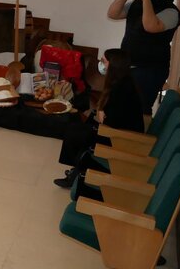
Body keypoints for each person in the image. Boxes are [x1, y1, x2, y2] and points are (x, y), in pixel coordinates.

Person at [53, 49, 144, 189]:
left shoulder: (122, 88)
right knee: (76, 127)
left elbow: (112, 122)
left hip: (120, 137)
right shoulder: (123, 81)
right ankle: (76, 169)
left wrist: (101, 114)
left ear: (113, 65)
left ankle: (77, 173)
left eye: (104, 61)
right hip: (117, 131)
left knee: (76, 133)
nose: (101, 64)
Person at [107, 0, 180, 114]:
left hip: (150, 69)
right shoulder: (138, 3)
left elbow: (150, 26)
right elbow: (113, 14)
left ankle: (137, 136)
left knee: (138, 108)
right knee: (121, 106)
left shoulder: (171, 11)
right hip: (128, 64)